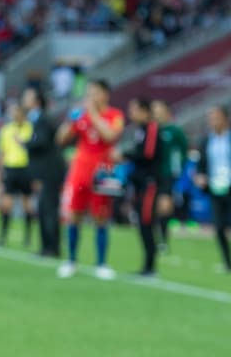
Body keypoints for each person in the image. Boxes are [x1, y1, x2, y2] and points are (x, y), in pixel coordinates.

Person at [56, 79, 124, 280]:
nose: (90, 97)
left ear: (105, 94)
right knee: (73, 215)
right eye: (89, 93)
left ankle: (101, 263)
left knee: (101, 217)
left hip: (104, 172)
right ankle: (71, 260)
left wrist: (93, 114)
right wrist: (71, 120)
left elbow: (110, 136)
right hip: (80, 171)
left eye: (94, 92)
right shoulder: (80, 116)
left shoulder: (115, 115)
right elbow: (61, 139)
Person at [119, 98, 162, 276]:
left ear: (145, 111)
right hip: (140, 183)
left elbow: (147, 153)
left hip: (149, 184)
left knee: (146, 222)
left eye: (134, 109)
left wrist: (124, 154)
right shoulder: (140, 130)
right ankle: (147, 265)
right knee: (142, 223)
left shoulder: (151, 128)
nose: (131, 113)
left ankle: (150, 266)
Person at [21, 87, 64, 258]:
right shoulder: (36, 119)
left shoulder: (43, 119)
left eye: (28, 97)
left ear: (36, 101)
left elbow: (43, 142)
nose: (24, 100)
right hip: (44, 170)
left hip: (50, 171)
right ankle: (47, 246)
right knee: (43, 207)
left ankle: (52, 247)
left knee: (49, 208)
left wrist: (26, 143)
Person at [194, 105, 231, 273]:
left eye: (215, 117)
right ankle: (227, 262)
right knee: (219, 227)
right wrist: (200, 176)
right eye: (210, 118)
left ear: (225, 118)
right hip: (215, 188)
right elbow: (201, 164)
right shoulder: (206, 140)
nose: (212, 121)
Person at [0, 101, 35, 247]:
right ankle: (2, 236)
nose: (14, 115)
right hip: (10, 168)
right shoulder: (6, 130)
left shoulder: (31, 129)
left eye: (17, 112)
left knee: (27, 205)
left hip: (26, 169)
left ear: (23, 114)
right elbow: (2, 152)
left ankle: (27, 237)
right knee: (6, 204)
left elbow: (35, 150)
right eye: (13, 113)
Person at [152, 100, 187, 252]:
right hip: (152, 174)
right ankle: (155, 238)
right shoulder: (152, 130)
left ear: (166, 110)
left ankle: (163, 240)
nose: (155, 111)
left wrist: (177, 168)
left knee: (164, 207)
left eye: (158, 108)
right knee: (153, 206)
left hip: (167, 175)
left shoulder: (174, 131)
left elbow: (183, 150)